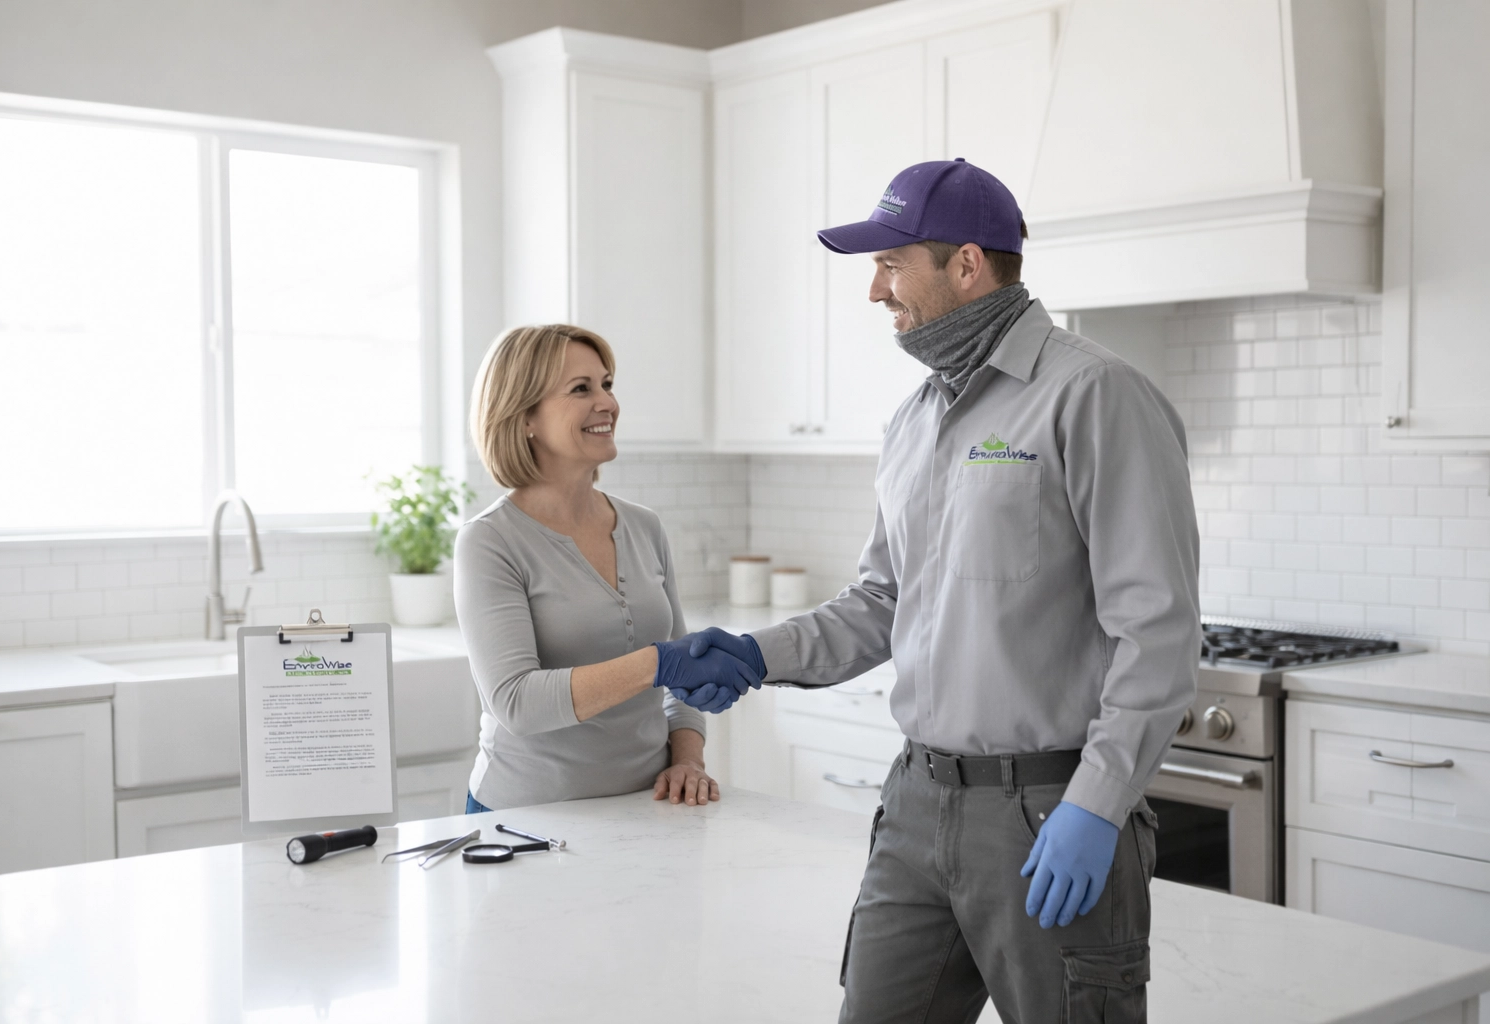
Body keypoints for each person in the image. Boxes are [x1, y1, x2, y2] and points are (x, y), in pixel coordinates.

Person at [666, 160, 1200, 1022]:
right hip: (915, 805)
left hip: (1048, 813)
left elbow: (1158, 633)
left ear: (966, 264)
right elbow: (882, 601)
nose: (876, 290)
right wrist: (756, 654)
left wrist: (1098, 805)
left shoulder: (1095, 395)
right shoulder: (914, 419)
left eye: (891, 263)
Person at [455, 324, 759, 814]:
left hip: (648, 807)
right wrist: (656, 663)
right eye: (581, 389)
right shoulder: (490, 541)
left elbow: (679, 686)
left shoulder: (644, 526)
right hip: (525, 820)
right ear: (524, 416)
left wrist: (688, 760)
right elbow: (517, 702)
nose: (608, 403)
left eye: (607, 384)